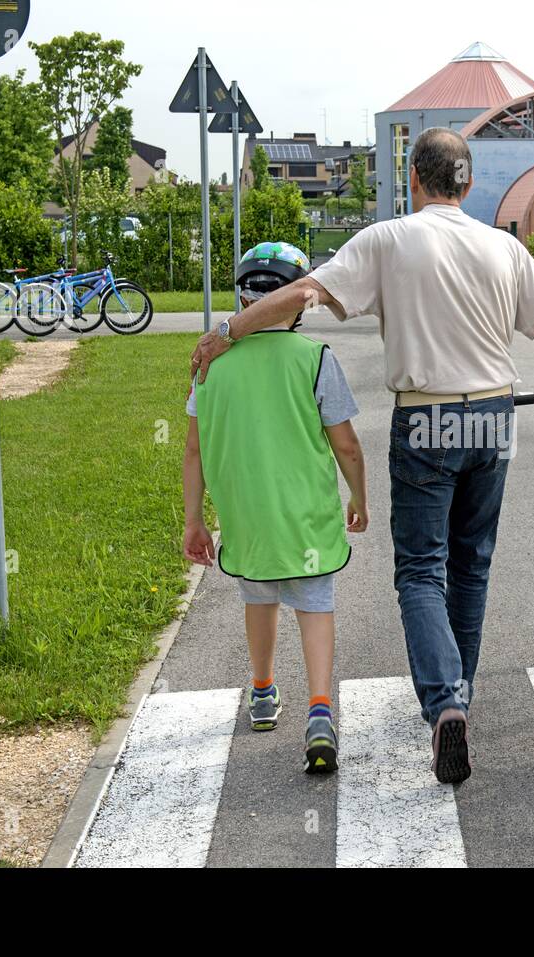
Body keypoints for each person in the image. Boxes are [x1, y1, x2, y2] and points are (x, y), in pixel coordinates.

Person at [189, 127, 534, 785]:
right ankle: (458, 698)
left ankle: (445, 703)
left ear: (415, 181)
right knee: (471, 565)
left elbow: (304, 293)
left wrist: (228, 329)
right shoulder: (505, 247)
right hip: (493, 415)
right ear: (468, 184)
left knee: (422, 567)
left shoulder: (387, 239)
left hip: (426, 416)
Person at [182, 241, 368, 774]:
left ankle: (262, 692)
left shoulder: (210, 362)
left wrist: (194, 519)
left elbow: (194, 449)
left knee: (258, 598)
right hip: (306, 517)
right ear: (295, 303)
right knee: (314, 604)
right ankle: (319, 711)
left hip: (247, 518)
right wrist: (360, 496)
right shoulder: (314, 360)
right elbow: (348, 446)